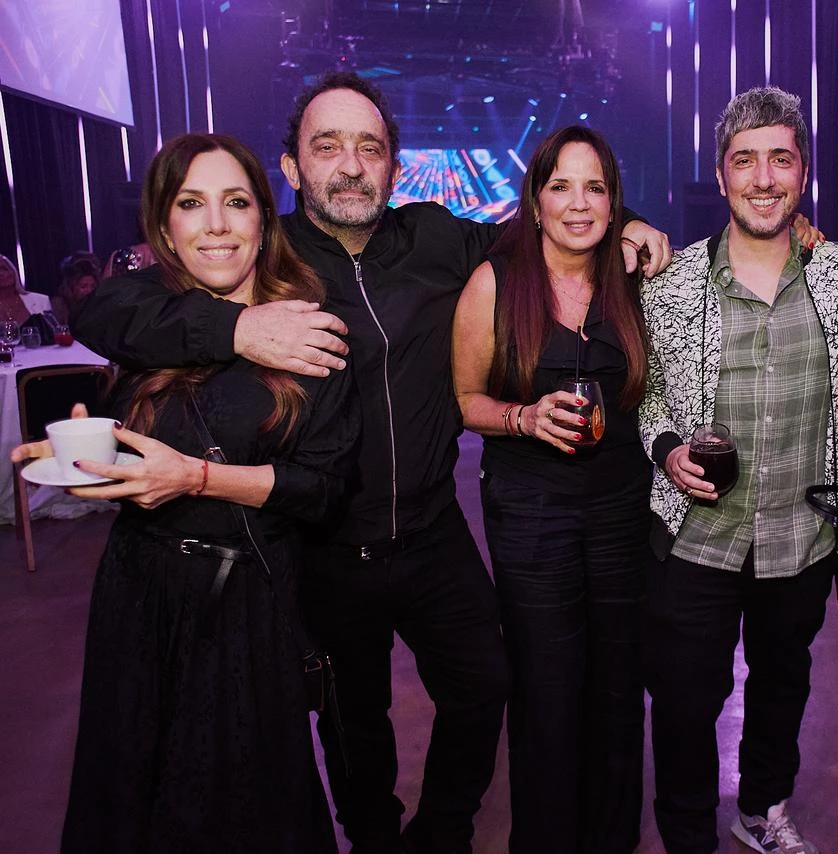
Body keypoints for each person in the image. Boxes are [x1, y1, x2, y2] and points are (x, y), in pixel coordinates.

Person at [73, 72, 671, 854]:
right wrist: (237, 330)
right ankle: (376, 841)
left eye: (370, 147)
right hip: (320, 544)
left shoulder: (437, 238)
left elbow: (551, 220)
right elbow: (107, 308)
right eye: (328, 147)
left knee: (486, 683)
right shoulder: (263, 256)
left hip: (431, 532)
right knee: (353, 722)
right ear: (292, 168)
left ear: (394, 165)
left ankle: (442, 834)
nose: (351, 165)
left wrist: (631, 219)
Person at [11, 132, 358, 853]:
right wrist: (96, 455)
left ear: (264, 218)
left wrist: (193, 477)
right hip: (138, 595)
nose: (217, 225)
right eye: (192, 204)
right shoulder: (146, 315)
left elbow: (322, 491)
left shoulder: (308, 330)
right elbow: (101, 315)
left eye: (237, 202)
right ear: (164, 228)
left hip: (245, 605)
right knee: (132, 796)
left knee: (241, 811)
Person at [640, 86, 838, 854]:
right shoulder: (672, 283)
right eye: (745, 161)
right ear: (721, 176)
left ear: (803, 172)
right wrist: (668, 450)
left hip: (803, 534)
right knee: (685, 700)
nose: (764, 178)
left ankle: (762, 810)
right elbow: (649, 397)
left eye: (781, 159)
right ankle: (687, 835)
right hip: (698, 537)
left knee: (783, 683)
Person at [452, 126, 650, 853]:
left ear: (614, 203)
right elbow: (465, 400)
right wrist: (524, 417)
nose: (578, 203)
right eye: (560, 186)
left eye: (594, 187)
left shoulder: (633, 279)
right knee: (548, 689)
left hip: (622, 510)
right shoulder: (496, 283)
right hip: (531, 512)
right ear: (535, 201)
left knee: (619, 685)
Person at [52, 251, 103, 325]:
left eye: (93, 286)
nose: (89, 291)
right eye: (83, 286)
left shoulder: (99, 305)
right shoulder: (59, 305)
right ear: (71, 287)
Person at [0, 253, 52, 323]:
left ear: (13, 271)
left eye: (4, 269)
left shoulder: (41, 301)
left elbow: (52, 329)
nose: (1, 274)